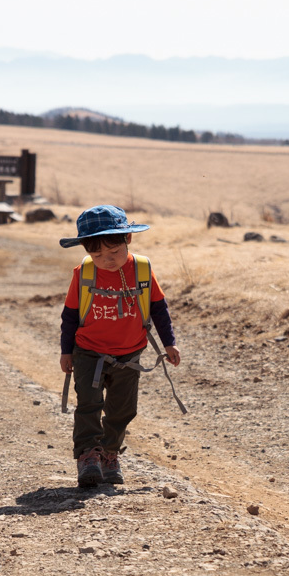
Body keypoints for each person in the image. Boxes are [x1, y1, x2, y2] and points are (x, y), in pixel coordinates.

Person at [59, 205, 181, 488]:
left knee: (122, 409)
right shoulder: (84, 273)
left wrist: (169, 343)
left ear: (128, 239)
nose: (107, 260)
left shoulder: (142, 269)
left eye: (113, 253)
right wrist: (66, 351)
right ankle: (88, 456)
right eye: (97, 254)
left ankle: (110, 454)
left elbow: (159, 310)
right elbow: (69, 316)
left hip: (130, 352)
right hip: (88, 350)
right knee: (89, 404)